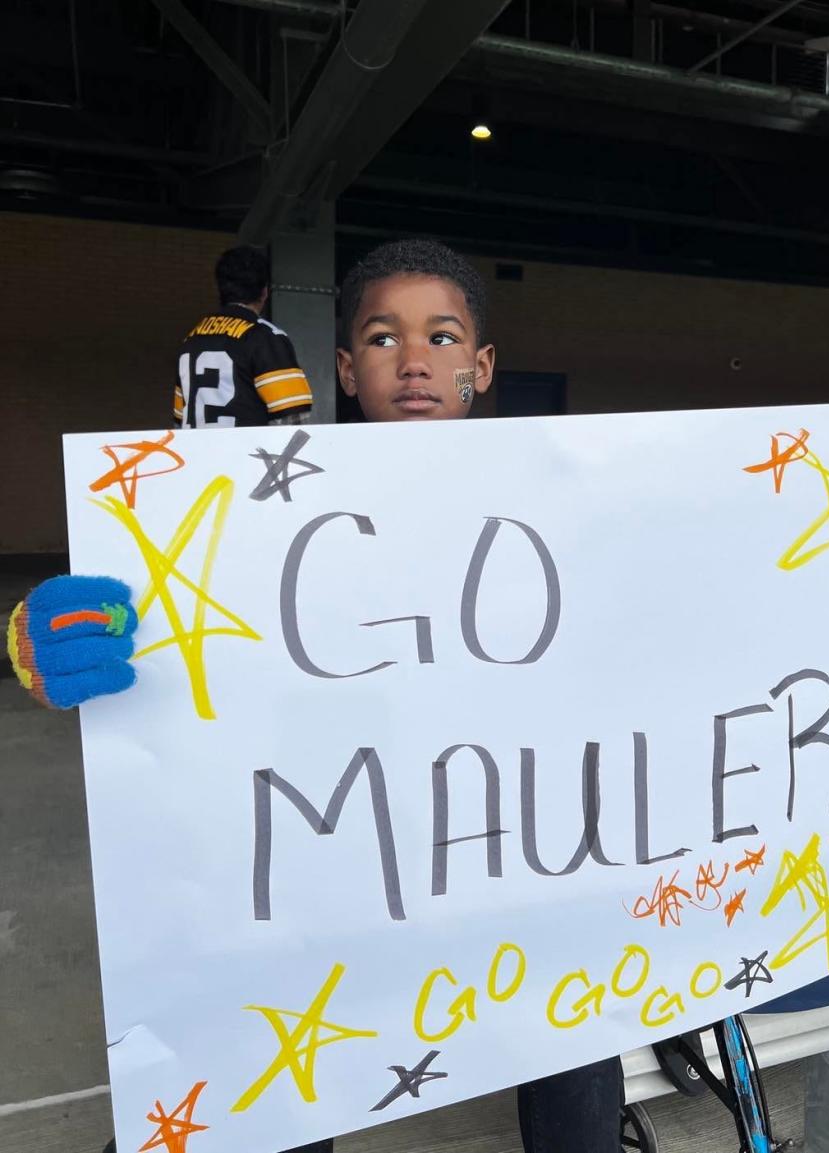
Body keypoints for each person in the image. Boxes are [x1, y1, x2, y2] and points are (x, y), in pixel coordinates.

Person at [8, 239, 622, 1152]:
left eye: (443, 337)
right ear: (343, 365)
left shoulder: (577, 508)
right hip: (327, 867)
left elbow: (670, 635)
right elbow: (169, 619)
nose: (414, 361)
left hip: (513, 860)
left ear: (482, 365)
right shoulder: (267, 511)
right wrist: (39, 644)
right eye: (382, 338)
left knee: (578, 1044)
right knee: (286, 1077)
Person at [175, 244, 313, 429]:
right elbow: (293, 419)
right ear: (264, 292)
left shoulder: (190, 341)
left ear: (221, 290)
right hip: (245, 457)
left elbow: (179, 419)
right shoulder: (265, 337)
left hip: (197, 456)